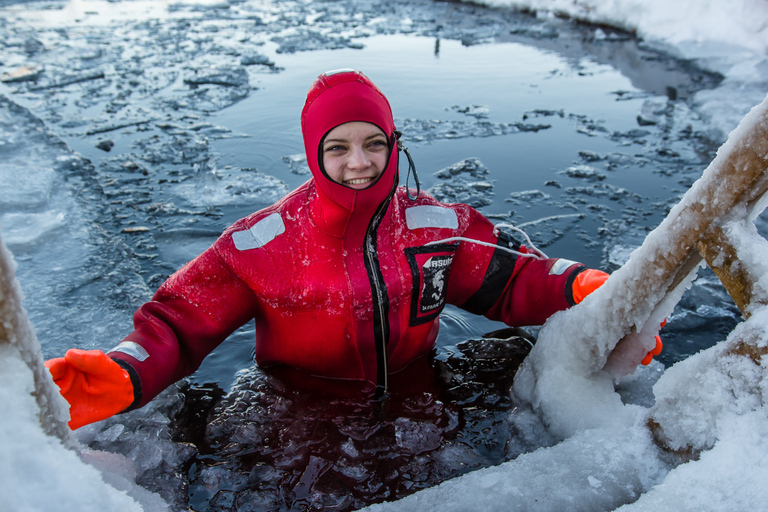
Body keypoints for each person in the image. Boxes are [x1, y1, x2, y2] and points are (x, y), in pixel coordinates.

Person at [45, 69, 662, 430]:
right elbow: (177, 328)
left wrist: (589, 291)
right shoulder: (259, 244)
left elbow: (511, 280)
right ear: (315, 152)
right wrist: (124, 370)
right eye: (338, 147)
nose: (359, 162)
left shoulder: (436, 225)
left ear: (393, 143)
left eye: (373, 142)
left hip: (422, 401)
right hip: (297, 413)